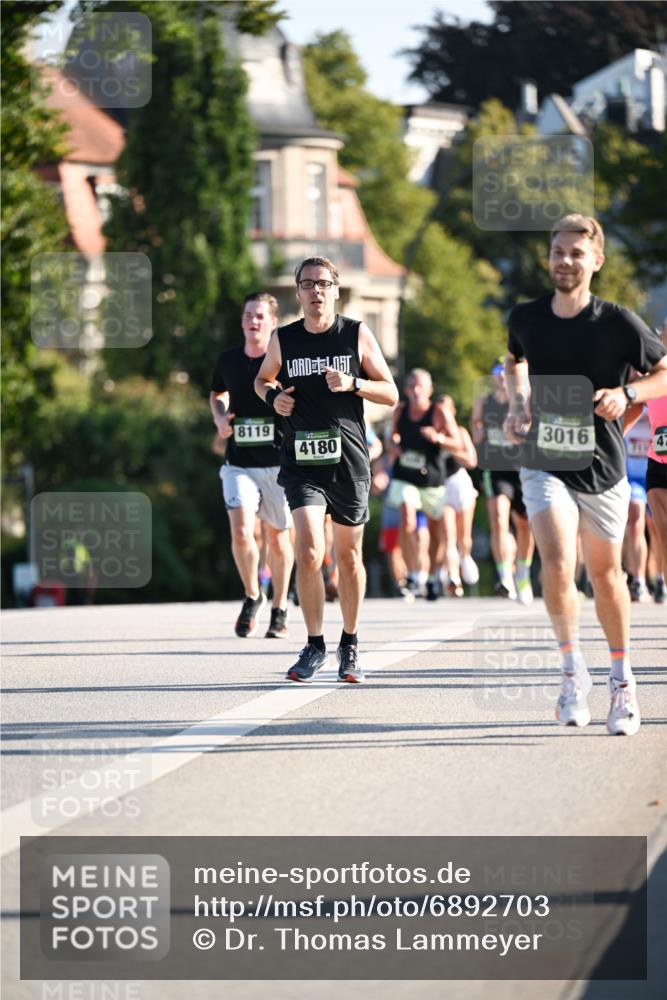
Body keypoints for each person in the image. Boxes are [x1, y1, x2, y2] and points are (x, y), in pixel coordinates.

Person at [505, 214, 667, 736]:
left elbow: (663, 372)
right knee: (556, 560)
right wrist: (517, 404)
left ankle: (622, 679)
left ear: (596, 260)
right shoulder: (526, 317)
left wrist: (627, 394)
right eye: (558, 251)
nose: (565, 261)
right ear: (548, 257)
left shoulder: (618, 322)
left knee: (605, 574)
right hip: (544, 458)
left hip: (603, 463)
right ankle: (572, 672)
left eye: (576, 253)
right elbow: (514, 360)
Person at [254, 257, 398, 683]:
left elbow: (390, 392)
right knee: (309, 551)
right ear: (298, 292)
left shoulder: (355, 333)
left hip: (349, 461)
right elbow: (262, 380)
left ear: (335, 289)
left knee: (348, 556)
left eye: (322, 283)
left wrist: (354, 384)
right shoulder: (284, 339)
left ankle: (349, 642)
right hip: (302, 462)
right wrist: (273, 399)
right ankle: (314, 644)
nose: (315, 291)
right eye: (307, 284)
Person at [210, 292, 294, 639]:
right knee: (242, 530)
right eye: (248, 315)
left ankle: (280, 608)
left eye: (260, 316)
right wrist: (219, 418)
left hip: (278, 464)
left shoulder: (283, 361)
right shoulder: (228, 359)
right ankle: (252, 595)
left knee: (277, 538)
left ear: (273, 322)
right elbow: (217, 394)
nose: (253, 321)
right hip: (239, 462)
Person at [387, 369, 463, 601]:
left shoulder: (439, 412)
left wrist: (438, 438)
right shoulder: (400, 411)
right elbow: (390, 437)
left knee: (435, 533)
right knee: (407, 516)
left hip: (432, 480)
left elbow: (457, 443)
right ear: (406, 389)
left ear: (430, 390)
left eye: (420, 386)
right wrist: (394, 445)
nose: (416, 390)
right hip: (405, 476)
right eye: (412, 386)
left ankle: (430, 577)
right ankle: (412, 575)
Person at [472, 359, 535, 603]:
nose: (501, 376)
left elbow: (534, 427)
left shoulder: (524, 400)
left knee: (524, 524)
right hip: (495, 467)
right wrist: (477, 431)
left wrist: (521, 432)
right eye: (497, 371)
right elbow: (476, 424)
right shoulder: (484, 401)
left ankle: (523, 574)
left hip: (522, 468)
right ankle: (504, 576)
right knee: (499, 517)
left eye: (505, 371)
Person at [440, 395, 480, 596]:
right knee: (448, 536)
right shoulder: (433, 433)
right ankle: (454, 578)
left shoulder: (461, 433)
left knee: (464, 537)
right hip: (442, 487)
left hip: (460, 484)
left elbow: (471, 461)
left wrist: (450, 447)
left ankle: (465, 557)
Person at [622, 406, 653, 602]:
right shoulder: (628, 407)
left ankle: (659, 577)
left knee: (658, 531)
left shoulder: (659, 407)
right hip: (634, 480)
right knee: (635, 520)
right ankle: (638, 579)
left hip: (657, 474)